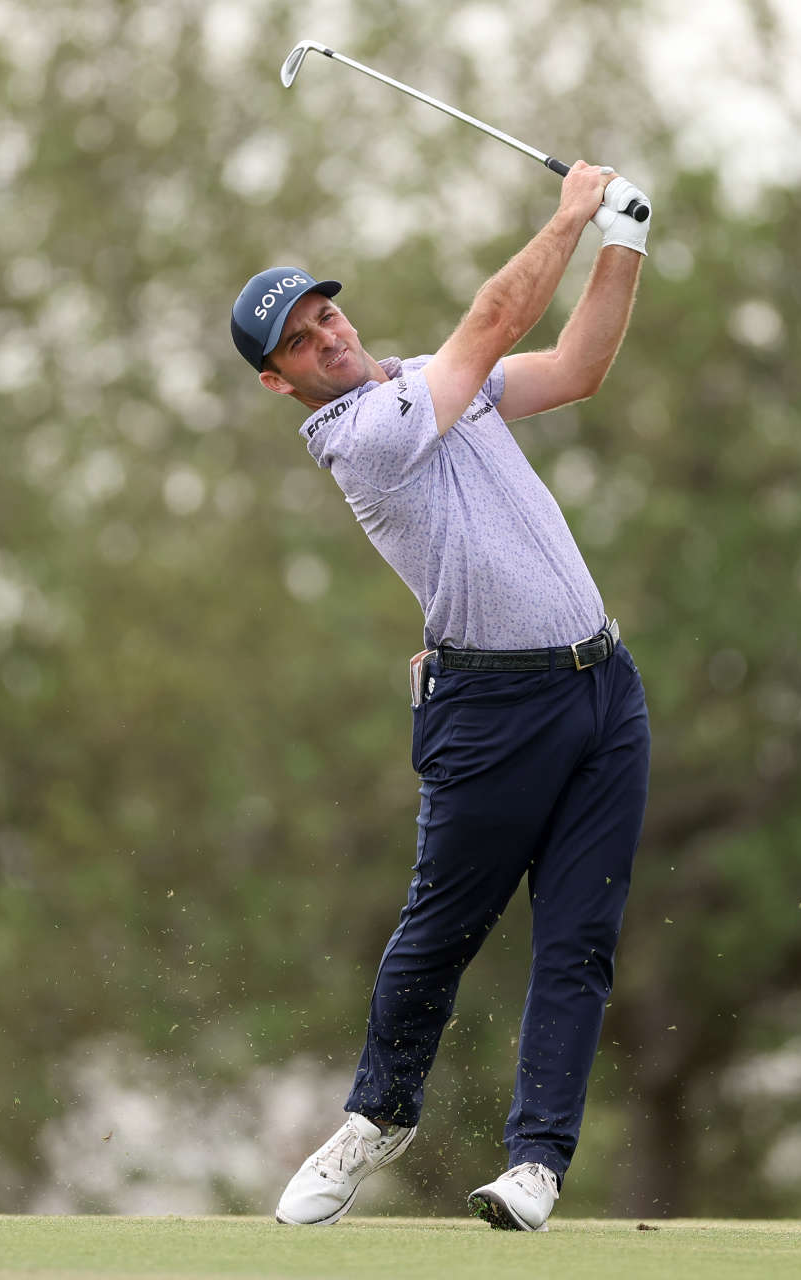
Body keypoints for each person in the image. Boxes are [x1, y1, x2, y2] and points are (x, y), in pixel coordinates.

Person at [230, 162, 653, 1232]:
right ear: (280, 382)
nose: (328, 336)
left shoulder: (426, 379)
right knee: (438, 934)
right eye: (300, 341)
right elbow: (497, 314)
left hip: (603, 691)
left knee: (579, 939)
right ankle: (378, 1114)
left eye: (327, 313)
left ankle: (537, 1164)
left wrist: (624, 241)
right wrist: (568, 215)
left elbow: (576, 367)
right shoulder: (363, 435)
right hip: (492, 713)